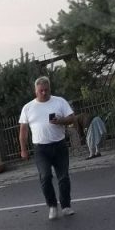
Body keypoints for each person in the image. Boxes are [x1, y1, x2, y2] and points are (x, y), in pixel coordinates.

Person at [19, 76, 77, 220]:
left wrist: (61, 121)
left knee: (63, 177)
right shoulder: (28, 108)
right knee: (45, 176)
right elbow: (23, 131)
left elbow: (72, 118)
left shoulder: (59, 102)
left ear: (50, 89)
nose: (44, 93)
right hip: (40, 149)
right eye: (40, 91)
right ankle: (52, 206)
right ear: (35, 91)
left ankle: (66, 206)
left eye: (46, 90)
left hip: (59, 145)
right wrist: (23, 149)